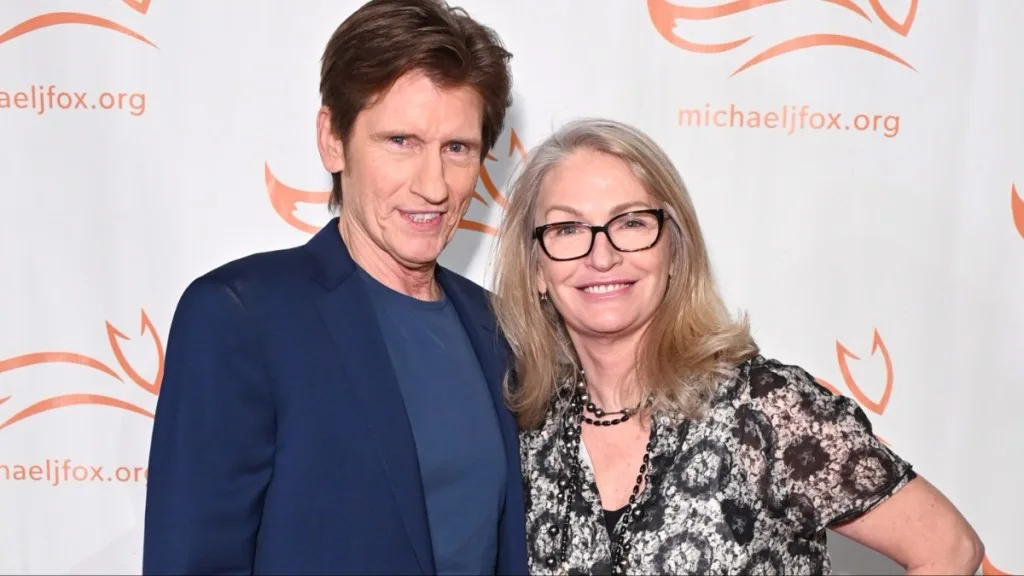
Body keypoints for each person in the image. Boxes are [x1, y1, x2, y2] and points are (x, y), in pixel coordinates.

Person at [489, 118, 985, 575]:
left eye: (631, 223)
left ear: (674, 250)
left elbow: (949, 548)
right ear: (537, 270)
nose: (602, 255)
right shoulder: (525, 430)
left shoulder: (763, 407)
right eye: (568, 229)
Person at [142, 1, 526, 574]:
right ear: (332, 139)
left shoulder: (498, 327)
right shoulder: (241, 318)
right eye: (401, 141)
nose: (433, 185)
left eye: (457, 148)